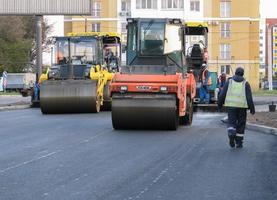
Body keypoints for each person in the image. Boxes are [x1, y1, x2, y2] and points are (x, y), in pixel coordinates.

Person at [218, 67, 255, 148]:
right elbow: (249, 97)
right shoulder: (246, 83)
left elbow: (222, 94)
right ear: (243, 74)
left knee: (231, 122)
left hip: (231, 107)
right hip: (242, 108)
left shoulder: (229, 82)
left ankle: (231, 133)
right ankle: (239, 142)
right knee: (241, 124)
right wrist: (252, 108)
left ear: (235, 73)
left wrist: (219, 105)